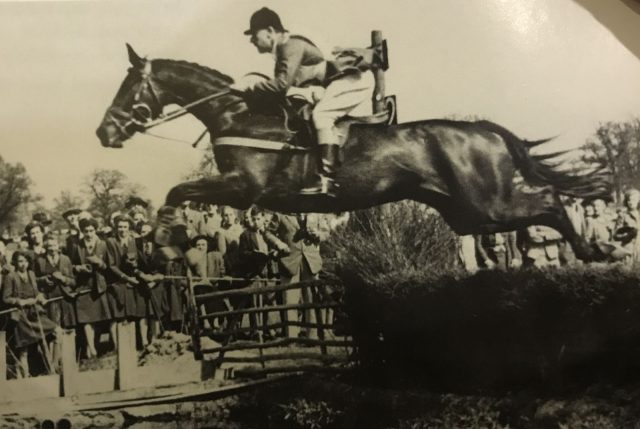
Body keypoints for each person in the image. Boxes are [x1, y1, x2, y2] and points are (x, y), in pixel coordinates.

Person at [238, 7, 376, 197]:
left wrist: (248, 88)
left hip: (354, 80)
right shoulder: (282, 51)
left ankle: (327, 180)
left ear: (270, 31)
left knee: (322, 116)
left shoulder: (290, 45)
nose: (252, 40)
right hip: (334, 84)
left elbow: (280, 86)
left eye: (254, 34)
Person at [3, 251, 59, 378]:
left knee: (55, 334)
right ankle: (25, 377)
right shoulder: (10, 276)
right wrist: (21, 301)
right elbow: (6, 298)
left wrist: (40, 297)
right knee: (24, 349)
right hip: (21, 316)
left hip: (35, 313)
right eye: (20, 261)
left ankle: (53, 369)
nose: (23, 264)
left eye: (26, 261)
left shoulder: (31, 274)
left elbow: (36, 292)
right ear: (15, 262)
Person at [273, 212, 330, 339]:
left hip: (311, 261)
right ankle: (291, 336)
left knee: (312, 298)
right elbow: (267, 232)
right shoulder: (281, 212)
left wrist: (319, 235)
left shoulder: (316, 211)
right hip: (289, 261)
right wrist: (279, 244)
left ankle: (313, 336)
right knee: (290, 300)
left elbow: (326, 232)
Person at [69, 218, 112, 358]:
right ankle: (92, 349)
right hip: (83, 286)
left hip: (99, 286)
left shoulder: (103, 245)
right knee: (86, 319)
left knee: (99, 318)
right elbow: (71, 266)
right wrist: (79, 268)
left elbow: (109, 266)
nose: (89, 234)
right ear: (82, 231)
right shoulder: (77, 246)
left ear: (95, 230)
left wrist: (100, 264)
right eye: (86, 231)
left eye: (91, 230)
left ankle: (94, 345)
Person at [105, 215, 146, 348]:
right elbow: (111, 265)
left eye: (125, 227)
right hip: (118, 281)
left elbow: (141, 261)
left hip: (135, 280)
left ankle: (139, 342)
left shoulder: (135, 241)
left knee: (138, 312)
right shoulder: (111, 242)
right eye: (120, 227)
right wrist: (126, 278)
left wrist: (136, 274)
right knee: (119, 314)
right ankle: (119, 346)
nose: (122, 230)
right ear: (116, 228)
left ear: (129, 228)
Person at [34, 233, 77, 330]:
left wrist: (64, 279)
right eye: (49, 246)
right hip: (49, 300)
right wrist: (43, 279)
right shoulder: (40, 261)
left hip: (65, 298)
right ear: (45, 246)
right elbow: (34, 280)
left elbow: (73, 281)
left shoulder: (65, 259)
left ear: (58, 245)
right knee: (54, 330)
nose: (52, 248)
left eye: (54, 245)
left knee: (69, 329)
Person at [614, 189, 640, 265]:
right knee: (628, 270)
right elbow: (616, 234)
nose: (631, 202)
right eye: (629, 200)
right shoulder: (623, 215)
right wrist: (627, 235)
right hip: (628, 247)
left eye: (634, 199)